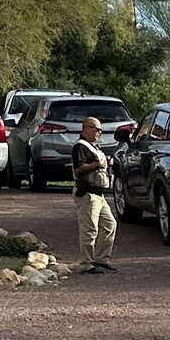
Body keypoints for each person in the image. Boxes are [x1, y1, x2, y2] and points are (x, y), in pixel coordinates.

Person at [71, 114, 118, 273]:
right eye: (97, 129)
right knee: (89, 230)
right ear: (86, 128)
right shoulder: (80, 147)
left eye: (100, 130)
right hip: (87, 194)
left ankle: (101, 260)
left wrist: (107, 163)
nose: (99, 133)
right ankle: (86, 264)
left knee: (110, 225)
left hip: (99, 195)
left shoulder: (94, 147)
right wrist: (98, 164)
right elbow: (78, 169)